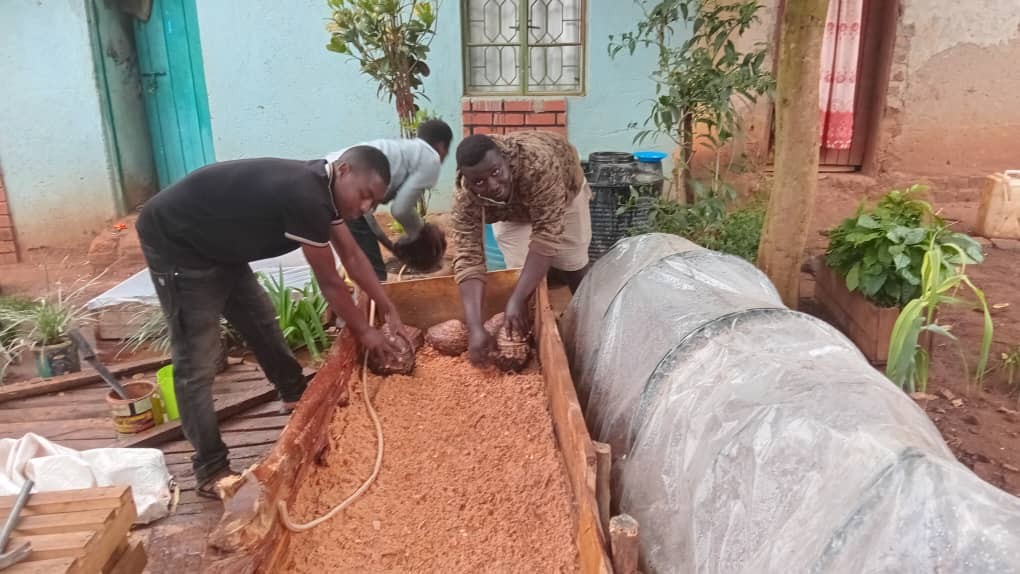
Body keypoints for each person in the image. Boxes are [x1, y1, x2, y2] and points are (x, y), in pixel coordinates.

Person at [135, 147, 405, 499]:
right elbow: (330, 283)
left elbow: (352, 256)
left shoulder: (325, 191)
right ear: (343, 170)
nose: (367, 207)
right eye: (364, 195)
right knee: (196, 360)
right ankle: (211, 468)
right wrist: (366, 331)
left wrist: (388, 306)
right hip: (178, 243)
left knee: (260, 320)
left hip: (220, 245)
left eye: (375, 202)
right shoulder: (307, 196)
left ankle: (295, 396)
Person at [450, 131, 592, 366]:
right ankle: (535, 335)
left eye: (496, 172)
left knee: (572, 260)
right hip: (510, 212)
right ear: (467, 180)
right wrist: (474, 326)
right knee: (520, 271)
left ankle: (591, 323)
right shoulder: (465, 199)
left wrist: (517, 299)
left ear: (505, 159)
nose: (492, 185)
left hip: (562, 192)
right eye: (479, 182)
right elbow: (468, 257)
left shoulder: (537, 164)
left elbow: (547, 236)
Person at [326, 119, 454, 280]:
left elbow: (367, 221)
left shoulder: (401, 151)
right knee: (373, 274)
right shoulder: (431, 158)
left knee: (360, 266)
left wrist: (392, 247)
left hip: (326, 179)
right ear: (442, 147)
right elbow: (400, 210)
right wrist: (422, 233)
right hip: (340, 190)